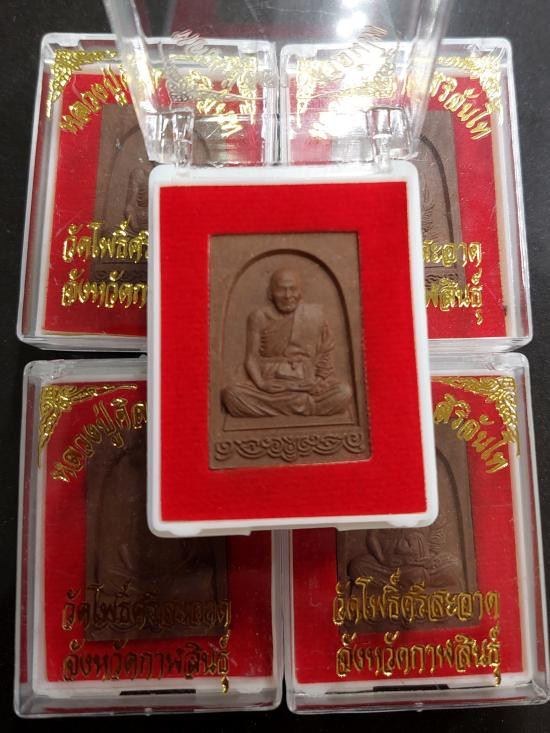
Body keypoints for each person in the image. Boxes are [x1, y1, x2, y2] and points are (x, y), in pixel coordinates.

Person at [222, 267, 352, 417]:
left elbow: (326, 351)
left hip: (307, 381)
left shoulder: (315, 315)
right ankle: (305, 406)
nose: (288, 296)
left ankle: (290, 406)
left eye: (293, 289)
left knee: (343, 393)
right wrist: (262, 384)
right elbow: (251, 358)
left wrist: (318, 380)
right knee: (232, 395)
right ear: (270, 293)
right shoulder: (259, 317)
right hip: (272, 383)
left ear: (301, 292)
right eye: (281, 290)